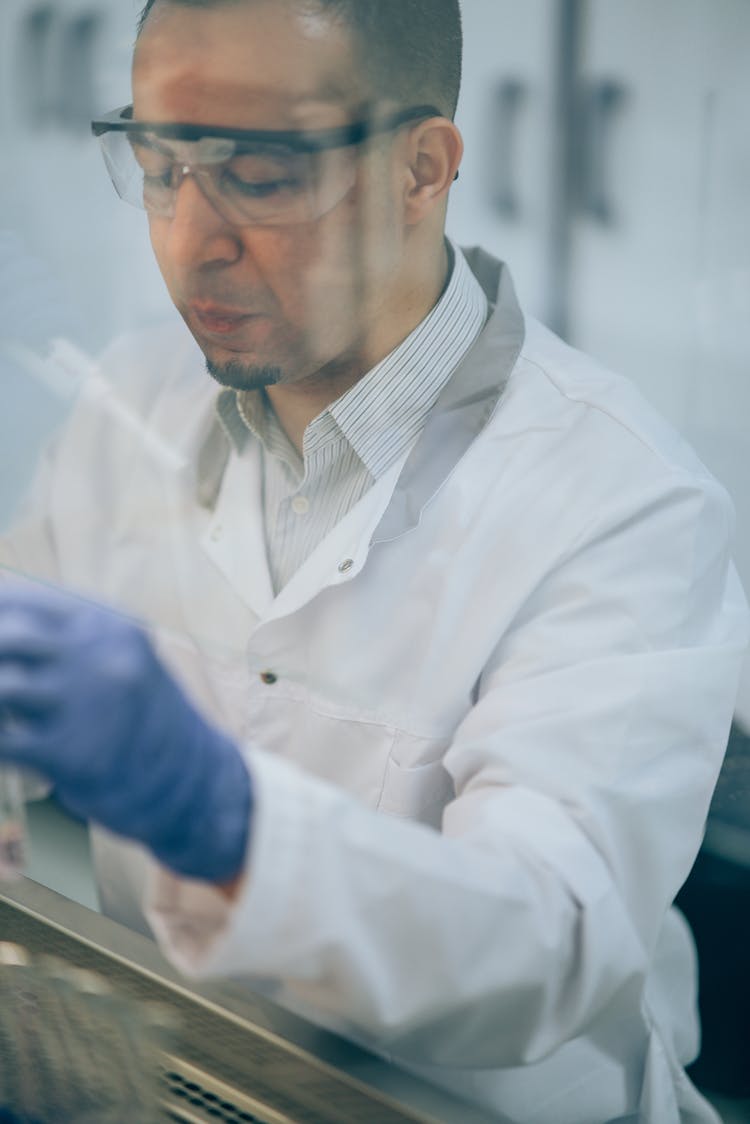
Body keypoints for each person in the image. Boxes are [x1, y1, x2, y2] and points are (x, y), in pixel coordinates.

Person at [0, 1, 748, 1120]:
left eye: (257, 175)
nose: (187, 238)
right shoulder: (133, 397)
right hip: (182, 1075)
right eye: (160, 168)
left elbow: (547, 945)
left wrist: (222, 814)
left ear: (421, 168)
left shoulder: (629, 501)